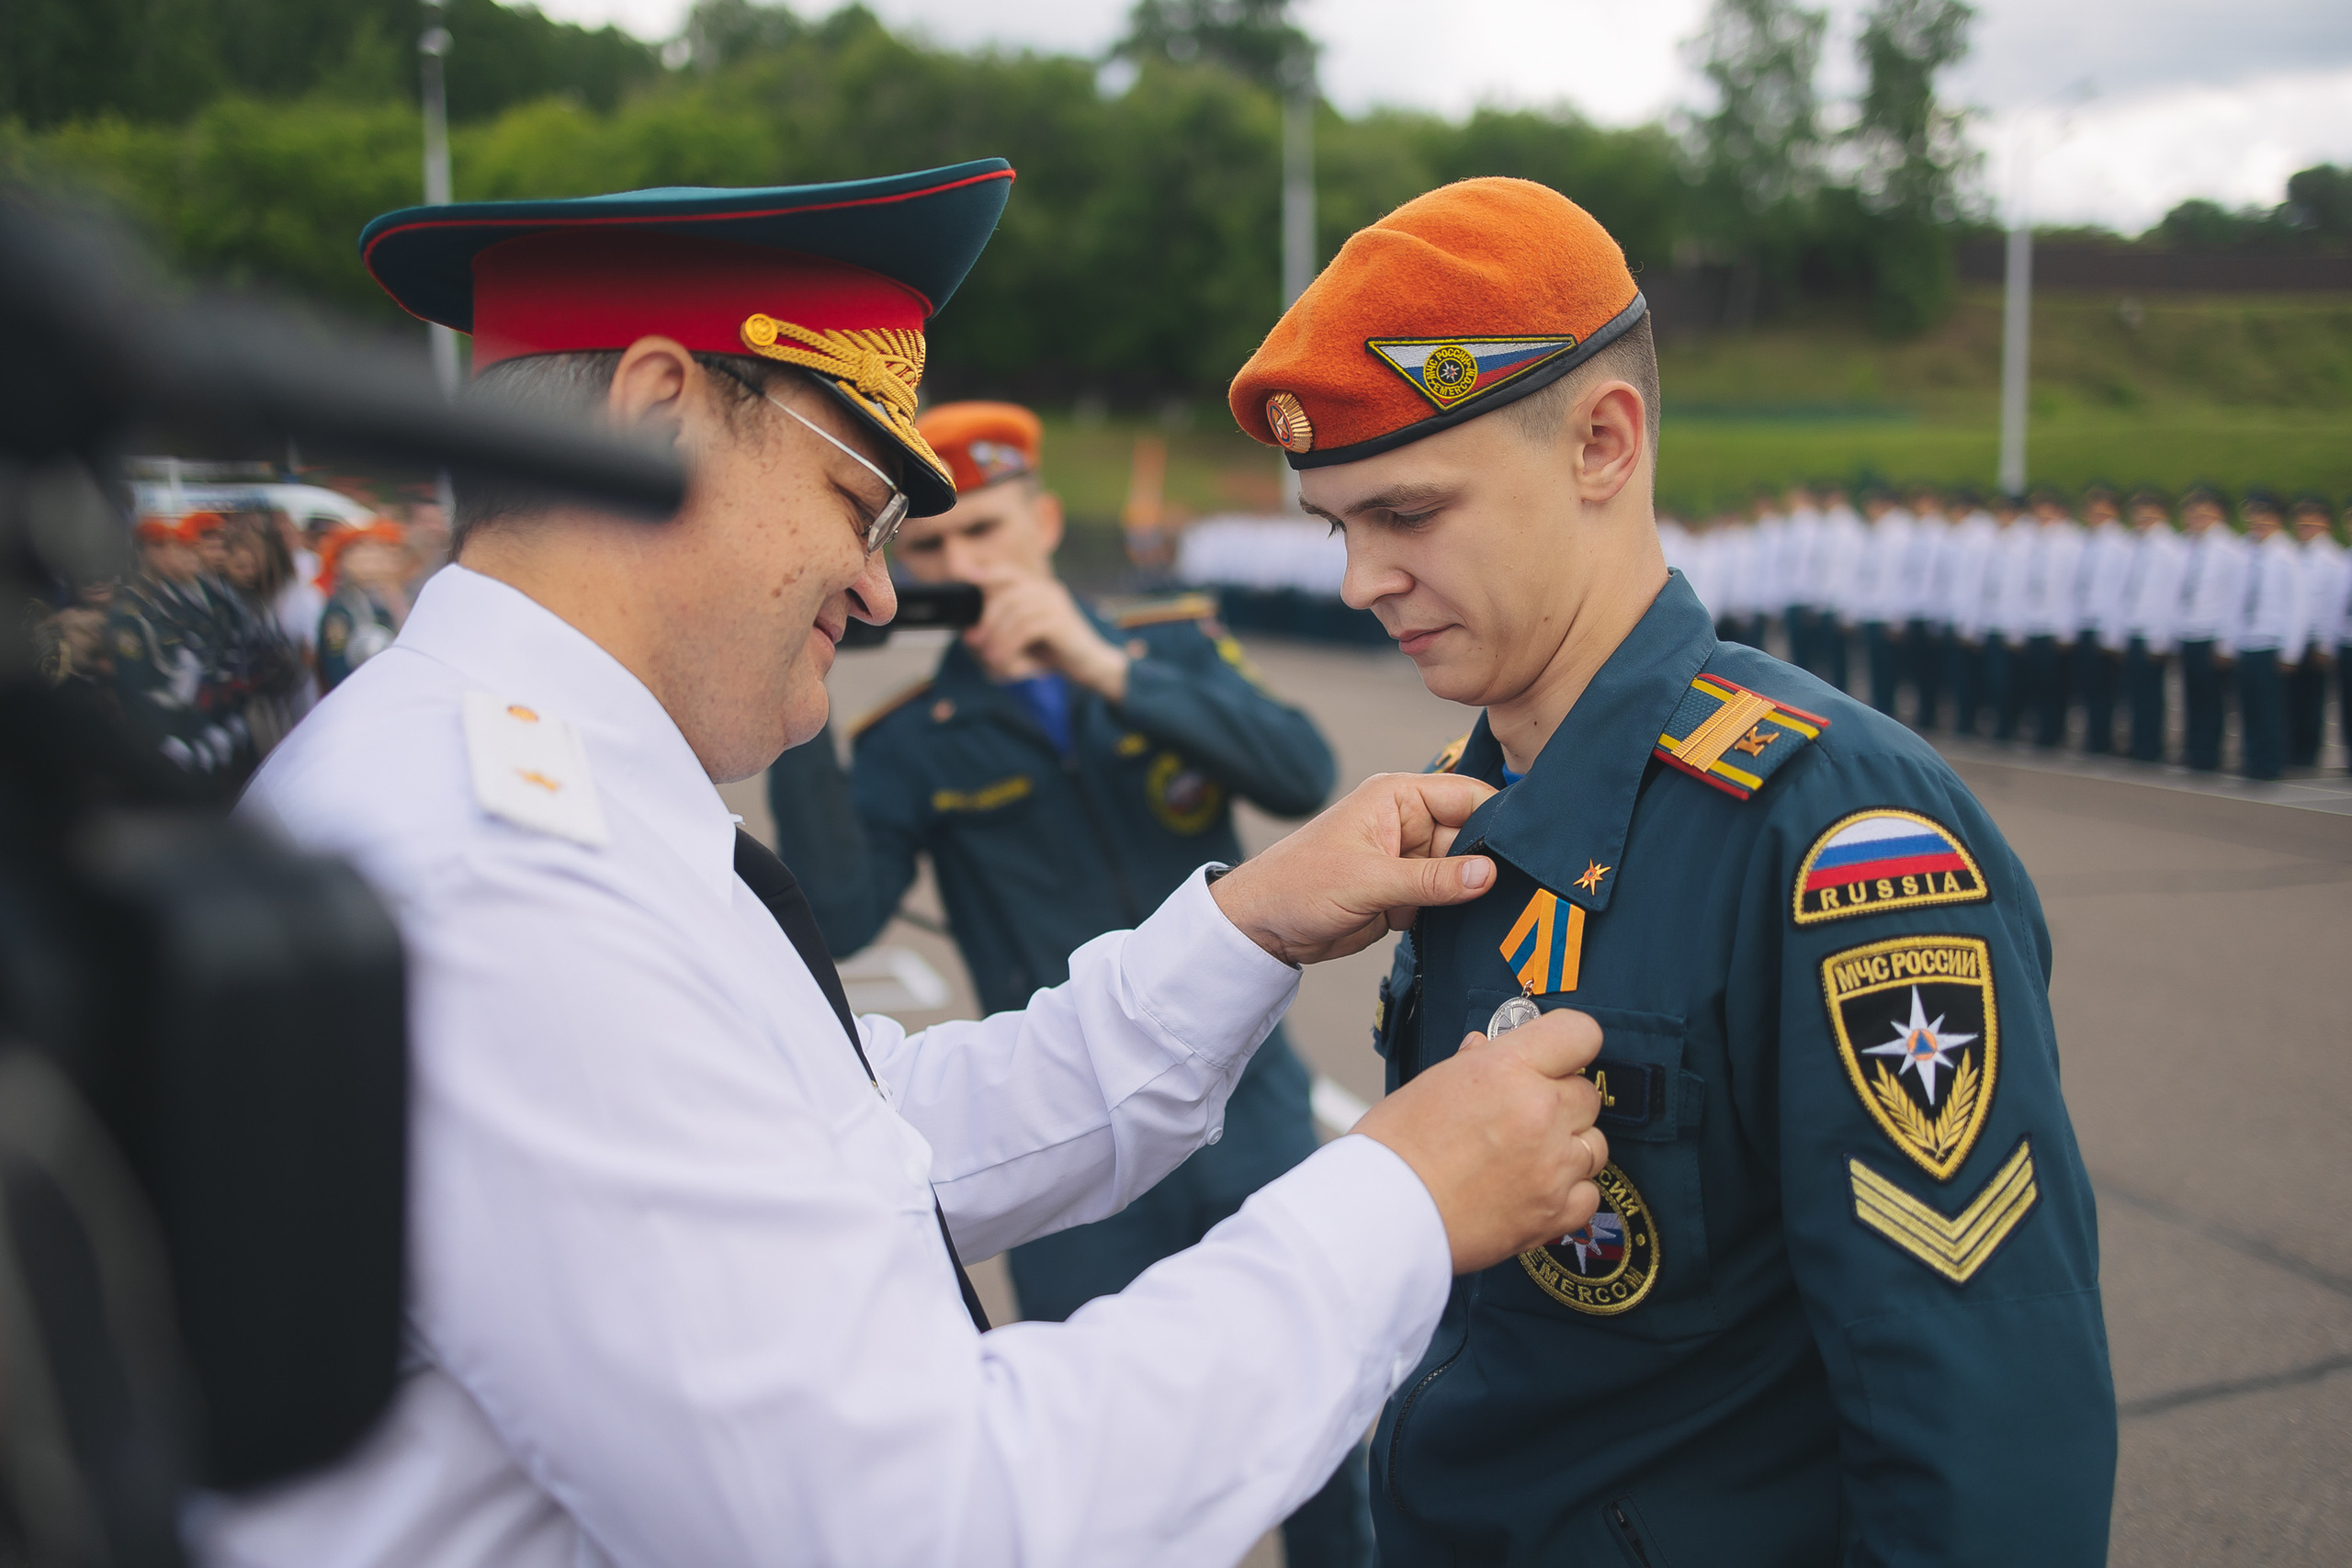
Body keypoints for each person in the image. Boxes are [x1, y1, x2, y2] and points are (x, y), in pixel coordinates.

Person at [204, 165, 1616, 1568]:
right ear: (653, 421)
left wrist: (1245, 929)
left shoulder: (510, 785)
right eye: (855, 500)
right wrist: (1402, 1200)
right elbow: (922, 1521)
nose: (882, 588)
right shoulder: (509, 875)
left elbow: (860, 1136)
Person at [1227, 175, 2113, 1564]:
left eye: (1406, 512)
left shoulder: (1836, 829)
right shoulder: (1482, 808)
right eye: (1338, 526)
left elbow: (1980, 1413)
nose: (1359, 581)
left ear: (1602, 441)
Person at [763, 401, 1373, 1565]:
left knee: (1322, 1424)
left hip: (1251, 1110)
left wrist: (1106, 668)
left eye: (986, 531)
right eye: (932, 547)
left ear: (1042, 523)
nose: (963, 564)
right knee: (1114, 1477)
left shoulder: (1170, 646)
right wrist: (813, 719)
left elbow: (1302, 772)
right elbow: (838, 915)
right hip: (1070, 1143)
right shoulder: (910, 734)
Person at [2232, 489, 2303, 781]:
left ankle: (2271, 763)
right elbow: (2235, 600)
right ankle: (2252, 759)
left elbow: (2298, 607)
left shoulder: (2287, 556)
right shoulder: (2246, 551)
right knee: (2248, 706)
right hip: (2247, 640)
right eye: (2253, 516)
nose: (2257, 522)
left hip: (2271, 643)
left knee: (2270, 709)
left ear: (2277, 519)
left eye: (2264, 516)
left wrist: (2290, 651)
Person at [2174, 487, 2245, 772]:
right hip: (2188, 631)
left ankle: (2208, 753)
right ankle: (2193, 748)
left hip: (2212, 634)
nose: (2197, 517)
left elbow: (2234, 600)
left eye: (2205, 512)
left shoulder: (2231, 550)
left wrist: (2226, 642)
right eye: (2193, 512)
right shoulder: (2186, 545)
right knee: (2190, 696)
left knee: (2211, 699)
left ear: (2219, 514)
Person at [2117, 489, 2188, 763]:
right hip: (2134, 628)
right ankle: (2138, 741)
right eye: (2138, 511)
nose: (2143, 517)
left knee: (2150, 696)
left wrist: (2160, 638)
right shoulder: (2135, 544)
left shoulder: (2168, 548)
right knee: (2134, 693)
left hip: (2152, 632)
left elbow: (2168, 597)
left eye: (2150, 512)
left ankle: (2150, 746)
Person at [2018, 488, 2086, 749]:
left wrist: (2064, 629)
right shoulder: (2035, 541)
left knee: (2055, 685)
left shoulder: (2070, 543)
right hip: (2035, 623)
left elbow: (2068, 590)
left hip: (2055, 626)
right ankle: (2042, 730)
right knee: (2037, 683)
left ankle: (2053, 732)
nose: (2040, 519)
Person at [314, 518, 409, 692]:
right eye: (363, 554)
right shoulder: (341, 609)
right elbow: (336, 666)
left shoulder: (382, 598)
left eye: (375, 553)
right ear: (342, 561)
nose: (372, 560)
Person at [2074, 485, 2132, 755]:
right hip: (2087, 624)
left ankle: (2105, 740)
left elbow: (2119, 593)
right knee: (2090, 688)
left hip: (2106, 627)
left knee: (2107, 691)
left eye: (2102, 510)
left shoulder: (2121, 545)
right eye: (2092, 509)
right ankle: (2095, 738)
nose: (2095, 515)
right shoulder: (2088, 541)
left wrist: (2112, 634)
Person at [2287, 494, 2345, 769]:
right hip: (2294, 638)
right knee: (2292, 699)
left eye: (2312, 522)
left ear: (2325, 524)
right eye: (2301, 522)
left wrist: (2325, 643)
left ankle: (2307, 754)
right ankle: (2294, 749)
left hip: (2316, 640)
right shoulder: (2295, 554)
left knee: (2312, 701)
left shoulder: (2332, 558)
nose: (2305, 528)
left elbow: (2331, 606)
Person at [1940, 486, 1997, 735]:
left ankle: (1971, 722)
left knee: (1972, 677)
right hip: (1963, 617)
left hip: (1973, 620)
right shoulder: (1965, 535)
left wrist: (1968, 624)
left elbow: (1974, 585)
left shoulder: (1979, 539)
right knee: (1962, 676)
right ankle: (1965, 720)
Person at [1981, 491, 2033, 740]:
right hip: (1993, 620)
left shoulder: (2025, 545)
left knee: (2011, 681)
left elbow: (2019, 590)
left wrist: (2015, 628)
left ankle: (2010, 726)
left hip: (2013, 624)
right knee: (1995, 680)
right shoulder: (1996, 540)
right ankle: (2000, 725)